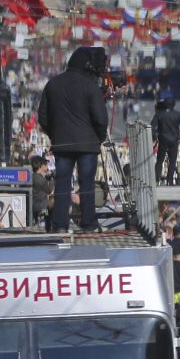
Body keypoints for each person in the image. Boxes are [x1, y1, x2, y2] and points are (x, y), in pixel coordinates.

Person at [35, 46, 110, 233]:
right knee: (86, 184)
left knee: (62, 184)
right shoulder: (90, 87)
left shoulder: (52, 84)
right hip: (87, 145)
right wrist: (99, 137)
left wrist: (54, 134)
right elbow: (101, 118)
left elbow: (42, 116)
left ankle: (60, 224)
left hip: (62, 144)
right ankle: (89, 223)